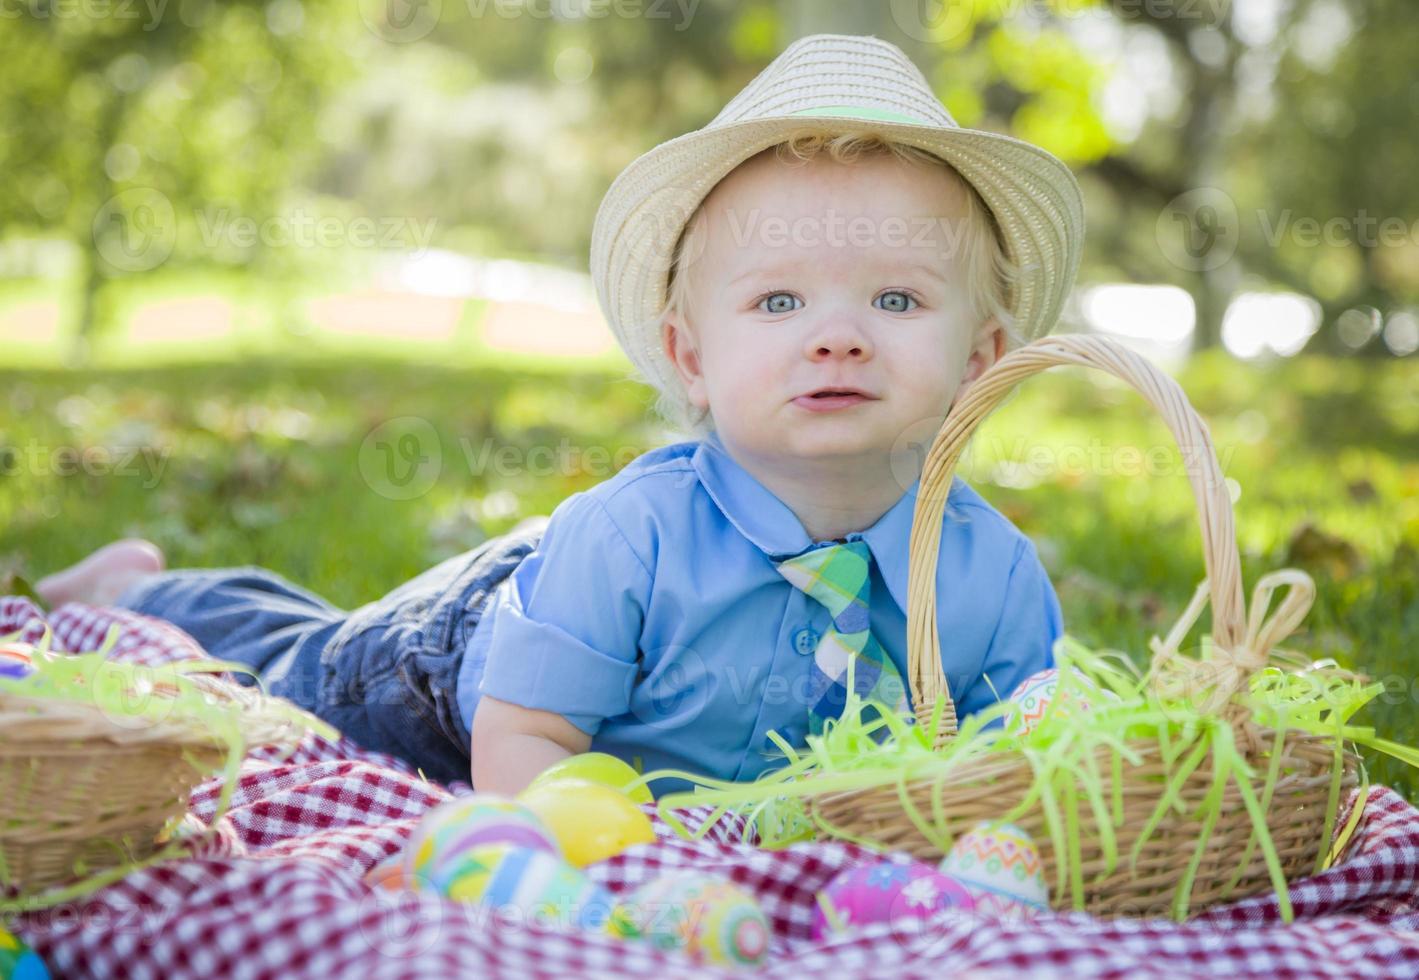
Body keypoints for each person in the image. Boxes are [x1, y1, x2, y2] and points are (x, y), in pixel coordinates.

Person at [37, 34, 1084, 795]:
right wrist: (596, 860)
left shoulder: (990, 576)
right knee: (296, 671)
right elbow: (526, 739)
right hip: (471, 671)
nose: (839, 335)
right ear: (692, 358)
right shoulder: (632, 537)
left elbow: (1011, 767)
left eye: (896, 300)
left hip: (600, 641)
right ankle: (142, 587)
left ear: (982, 360)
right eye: (778, 300)